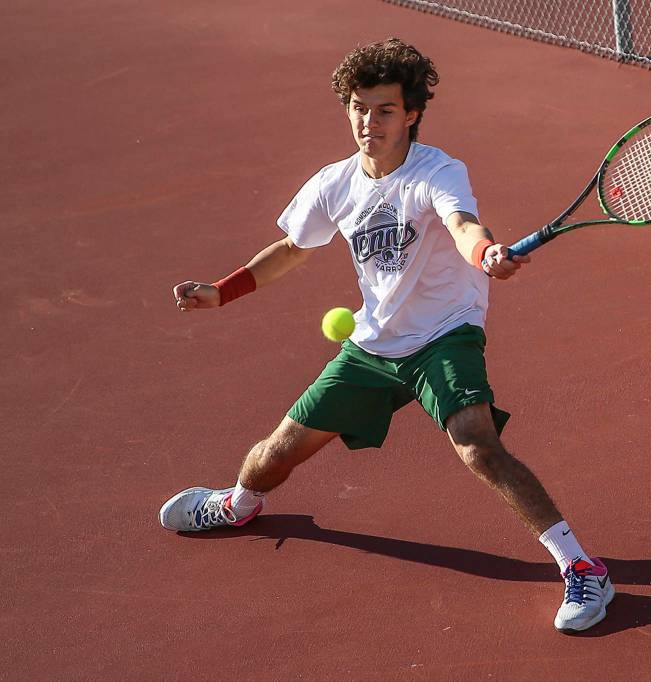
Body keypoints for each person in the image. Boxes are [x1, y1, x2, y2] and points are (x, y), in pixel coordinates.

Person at [158, 38, 613, 633]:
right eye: (358, 107)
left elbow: (460, 223)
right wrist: (223, 291)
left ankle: (583, 567)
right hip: (375, 344)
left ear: (413, 114)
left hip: (445, 333)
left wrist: (485, 253)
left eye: (385, 110)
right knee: (276, 452)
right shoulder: (335, 183)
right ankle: (237, 506)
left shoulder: (437, 171)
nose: (368, 122)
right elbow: (294, 248)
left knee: (474, 441)